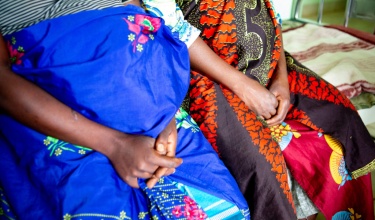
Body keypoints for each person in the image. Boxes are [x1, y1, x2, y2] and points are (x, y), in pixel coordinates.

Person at [0, 0, 252, 219]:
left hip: (152, 96)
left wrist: (165, 113)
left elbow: (145, 24)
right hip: (62, 113)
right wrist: (116, 145)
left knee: (228, 210)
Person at [176, 0, 375, 219]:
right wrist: (243, 86)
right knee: (260, 165)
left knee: (342, 117)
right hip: (205, 75)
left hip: (267, 64)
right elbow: (174, 28)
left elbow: (271, 17)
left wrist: (281, 80)